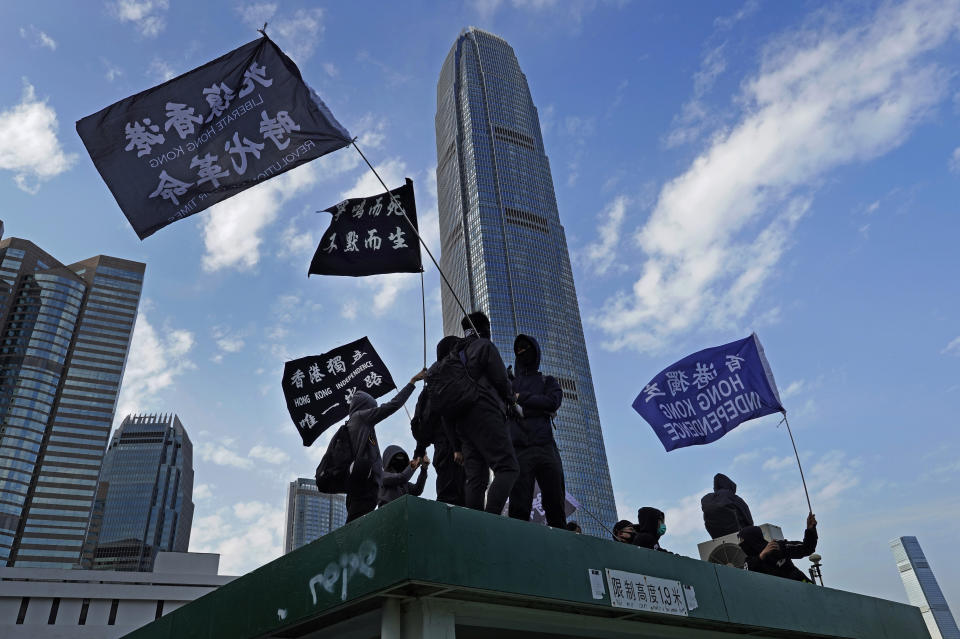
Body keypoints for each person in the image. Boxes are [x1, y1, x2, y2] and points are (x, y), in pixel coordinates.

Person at [457, 311, 519, 515]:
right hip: (486, 411)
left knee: (476, 478)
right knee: (507, 467)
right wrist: (512, 400)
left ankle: (474, 525)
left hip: (462, 421)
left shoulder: (455, 355)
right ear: (485, 329)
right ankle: (490, 520)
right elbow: (501, 380)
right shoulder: (484, 346)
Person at [345, 369, 426, 523]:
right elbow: (391, 406)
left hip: (361, 482)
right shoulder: (361, 417)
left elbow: (415, 488)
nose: (373, 411)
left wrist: (423, 469)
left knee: (357, 524)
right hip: (364, 481)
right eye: (371, 407)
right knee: (356, 526)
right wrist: (412, 383)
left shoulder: (357, 425)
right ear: (364, 406)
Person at [507, 334, 566, 528]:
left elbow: (552, 402)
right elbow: (505, 409)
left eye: (526, 348)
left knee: (555, 501)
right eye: (518, 350)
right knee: (519, 505)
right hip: (519, 449)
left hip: (545, 446)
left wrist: (521, 398)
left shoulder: (547, 381)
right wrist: (535, 405)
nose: (522, 352)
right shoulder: (509, 384)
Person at [411, 336, 465, 506]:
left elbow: (425, 422)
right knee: (458, 498)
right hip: (454, 448)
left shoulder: (431, 384)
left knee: (451, 498)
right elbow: (429, 417)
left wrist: (419, 452)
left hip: (448, 450)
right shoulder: (451, 379)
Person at [739, 513, 818, 582]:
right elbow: (746, 576)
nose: (740, 544)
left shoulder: (776, 546)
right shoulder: (749, 562)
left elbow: (807, 548)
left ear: (752, 539)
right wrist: (761, 556)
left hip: (803, 586)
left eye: (742, 540)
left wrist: (810, 529)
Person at [701, 473, 754, 539]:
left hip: (717, 539)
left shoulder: (707, 499)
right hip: (740, 534)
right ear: (730, 485)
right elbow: (748, 519)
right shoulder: (732, 496)